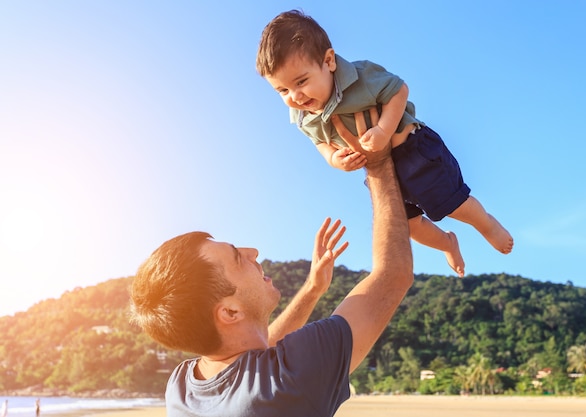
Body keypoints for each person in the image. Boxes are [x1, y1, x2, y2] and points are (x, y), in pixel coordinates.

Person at [130, 110, 414, 416]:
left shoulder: (182, 389)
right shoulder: (293, 378)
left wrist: (312, 289)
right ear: (228, 311)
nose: (253, 252)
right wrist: (379, 161)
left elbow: (254, 355)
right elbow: (393, 275)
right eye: (238, 258)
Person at [256, 9, 514, 277]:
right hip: (381, 172)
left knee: (452, 203)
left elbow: (398, 91)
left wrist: (383, 129)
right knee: (408, 226)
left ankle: (487, 225)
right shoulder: (303, 116)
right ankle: (448, 244)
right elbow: (320, 143)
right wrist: (334, 159)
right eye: (283, 91)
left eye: (301, 82)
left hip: (413, 152)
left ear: (329, 61)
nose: (295, 96)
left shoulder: (362, 76)